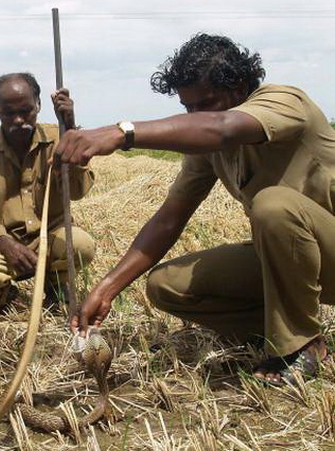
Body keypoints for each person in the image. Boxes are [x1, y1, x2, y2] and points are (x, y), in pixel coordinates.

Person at [57, 33, 334, 386]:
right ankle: (279, 329)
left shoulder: (284, 102)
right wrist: (107, 288)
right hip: (294, 262)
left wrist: (122, 133)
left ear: (241, 87)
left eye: (206, 103)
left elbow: (221, 128)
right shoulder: (208, 149)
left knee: (273, 204)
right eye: (188, 107)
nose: (194, 115)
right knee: (166, 285)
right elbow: (170, 218)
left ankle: (302, 346)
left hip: (330, 251)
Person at [0, 72, 96, 312]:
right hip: (1, 244)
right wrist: (5, 244)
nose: (19, 120)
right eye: (10, 113)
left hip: (50, 238)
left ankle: (56, 285)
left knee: (81, 245)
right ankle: (0, 293)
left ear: (39, 105)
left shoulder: (60, 138)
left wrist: (71, 131)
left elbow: (78, 191)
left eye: (26, 111)